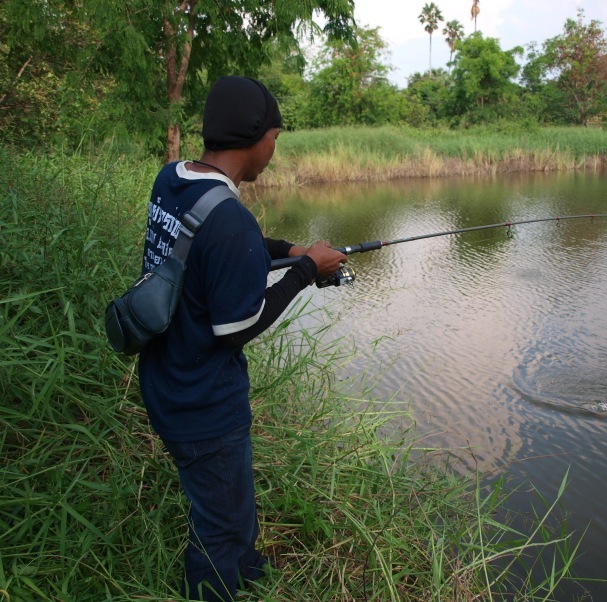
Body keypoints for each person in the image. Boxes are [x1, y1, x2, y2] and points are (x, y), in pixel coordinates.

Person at [137, 75, 346, 601]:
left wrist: (292, 249)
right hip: (203, 403)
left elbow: (208, 238)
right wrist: (304, 272)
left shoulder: (176, 179)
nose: (274, 150)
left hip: (166, 377)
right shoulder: (230, 220)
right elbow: (237, 328)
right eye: (276, 138)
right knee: (219, 525)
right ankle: (218, 584)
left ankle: (246, 567)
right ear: (257, 137)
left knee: (229, 496)